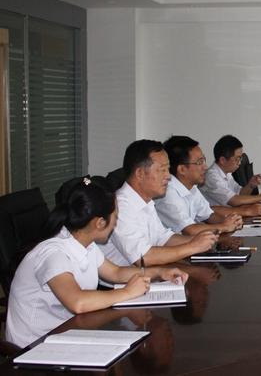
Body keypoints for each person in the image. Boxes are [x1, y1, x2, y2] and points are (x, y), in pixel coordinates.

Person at [4, 176, 188, 348]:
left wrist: (160, 272)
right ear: (99, 223)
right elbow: (78, 302)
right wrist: (127, 292)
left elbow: (116, 273)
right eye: (116, 216)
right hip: (35, 347)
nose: (116, 222)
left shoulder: (84, 242)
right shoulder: (54, 254)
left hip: (68, 334)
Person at [99, 139, 218, 267]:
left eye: (168, 169)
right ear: (140, 173)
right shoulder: (121, 206)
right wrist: (193, 246)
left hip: (146, 274)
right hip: (124, 278)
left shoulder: (146, 201)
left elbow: (163, 238)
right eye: (162, 170)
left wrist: (200, 240)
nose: (168, 176)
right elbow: (143, 257)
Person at [155, 135, 243, 235]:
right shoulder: (168, 193)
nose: (205, 167)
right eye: (199, 162)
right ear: (182, 169)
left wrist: (230, 221)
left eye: (204, 160)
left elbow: (209, 215)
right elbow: (189, 230)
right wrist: (224, 226)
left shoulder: (192, 187)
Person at [200, 135, 261, 215]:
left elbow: (240, 194)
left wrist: (251, 185)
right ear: (223, 160)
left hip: (231, 215)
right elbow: (234, 200)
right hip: (216, 220)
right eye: (237, 159)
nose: (239, 163)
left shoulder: (227, 173)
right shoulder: (212, 177)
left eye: (240, 158)